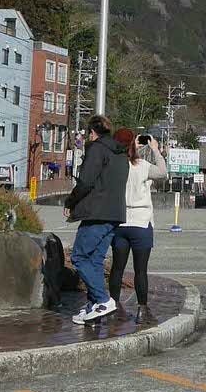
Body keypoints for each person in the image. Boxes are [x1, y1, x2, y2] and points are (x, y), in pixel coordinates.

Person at [63, 114, 129, 324]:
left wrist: (70, 202)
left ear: (93, 132)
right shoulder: (121, 153)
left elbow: (86, 182)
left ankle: (102, 300)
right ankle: (94, 306)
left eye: (88, 133)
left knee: (79, 257)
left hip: (96, 214)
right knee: (95, 261)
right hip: (115, 214)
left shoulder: (97, 149)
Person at [107, 129, 168, 322]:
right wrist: (155, 149)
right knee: (140, 270)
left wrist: (132, 146)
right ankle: (142, 310)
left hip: (120, 221)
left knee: (117, 268)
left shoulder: (114, 165)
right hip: (141, 223)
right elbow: (163, 173)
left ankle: (112, 306)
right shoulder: (142, 165)